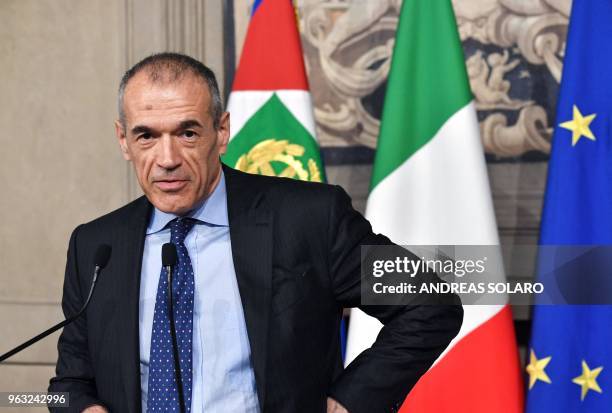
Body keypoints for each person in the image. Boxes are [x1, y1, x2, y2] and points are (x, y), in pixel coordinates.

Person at [48, 53, 462, 413]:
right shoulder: (96, 246)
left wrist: (351, 401)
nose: (167, 159)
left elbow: (429, 304)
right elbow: (68, 386)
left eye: (187, 133)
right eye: (147, 136)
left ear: (222, 131)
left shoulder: (309, 219)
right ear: (124, 140)